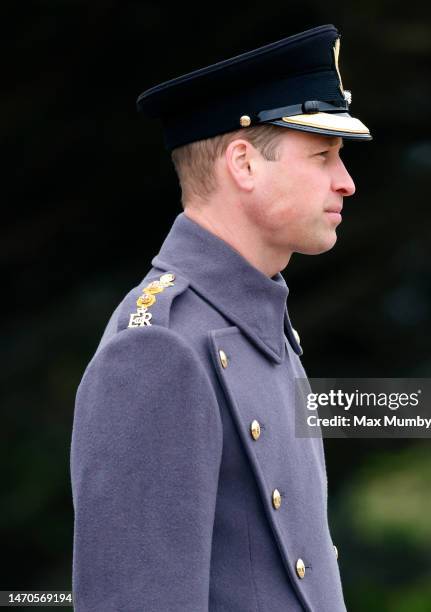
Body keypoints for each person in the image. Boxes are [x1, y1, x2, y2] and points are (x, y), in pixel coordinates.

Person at [70, 23, 372, 612]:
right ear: (243, 164)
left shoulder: (260, 326)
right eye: (322, 155)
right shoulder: (160, 348)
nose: (347, 182)